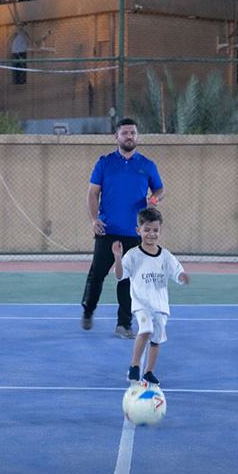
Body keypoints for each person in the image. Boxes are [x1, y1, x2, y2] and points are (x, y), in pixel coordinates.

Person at [82, 118, 164, 338]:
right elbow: (92, 193)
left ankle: (124, 324)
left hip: (134, 233)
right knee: (97, 274)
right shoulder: (104, 163)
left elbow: (159, 190)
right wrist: (94, 220)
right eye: (125, 133)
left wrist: (154, 200)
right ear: (116, 137)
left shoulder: (147, 165)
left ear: (137, 136)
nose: (129, 136)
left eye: (133, 133)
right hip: (107, 230)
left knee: (128, 280)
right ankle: (88, 310)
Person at [112, 207, 189, 385]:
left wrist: (182, 277)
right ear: (138, 230)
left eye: (155, 230)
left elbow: (177, 272)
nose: (151, 234)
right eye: (147, 230)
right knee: (145, 330)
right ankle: (135, 365)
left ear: (160, 230)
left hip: (160, 307)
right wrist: (117, 258)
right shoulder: (133, 255)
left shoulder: (166, 256)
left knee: (156, 341)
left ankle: (148, 372)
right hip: (142, 304)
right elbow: (119, 276)